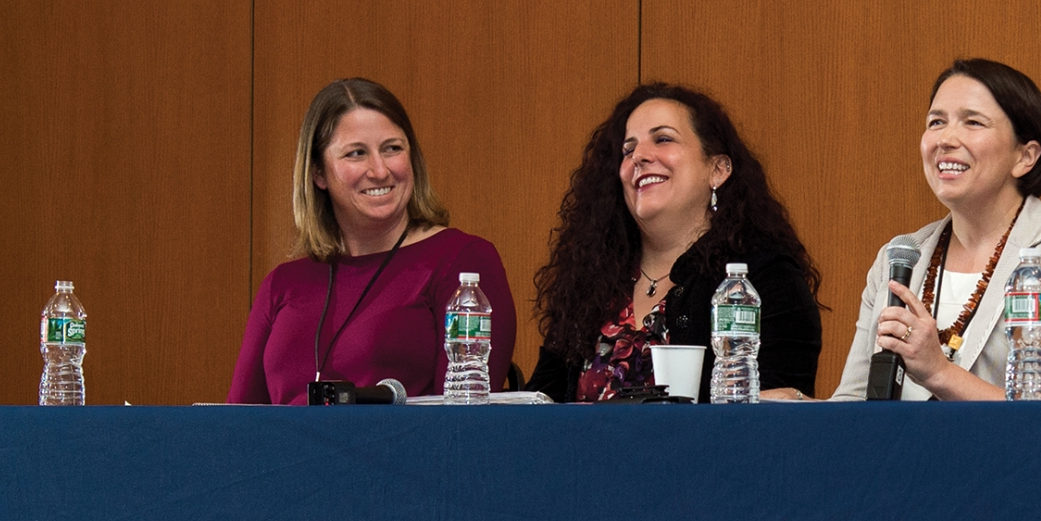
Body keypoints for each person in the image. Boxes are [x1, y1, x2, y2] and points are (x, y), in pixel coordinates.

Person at [831, 59, 1041, 401]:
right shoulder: (899, 258)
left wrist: (940, 373)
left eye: (973, 122)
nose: (946, 139)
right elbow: (850, 404)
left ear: (1025, 157)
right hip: (897, 454)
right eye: (936, 122)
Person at [524, 84, 821, 402]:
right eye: (628, 150)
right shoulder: (591, 285)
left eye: (663, 139)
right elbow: (537, 405)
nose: (639, 157)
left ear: (718, 169)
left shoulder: (763, 277)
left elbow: (776, 417)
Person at [229, 78, 518, 404]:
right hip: (284, 455)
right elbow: (235, 426)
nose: (379, 171)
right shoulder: (282, 284)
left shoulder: (462, 262)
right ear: (318, 174)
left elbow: (459, 428)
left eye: (392, 148)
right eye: (356, 154)